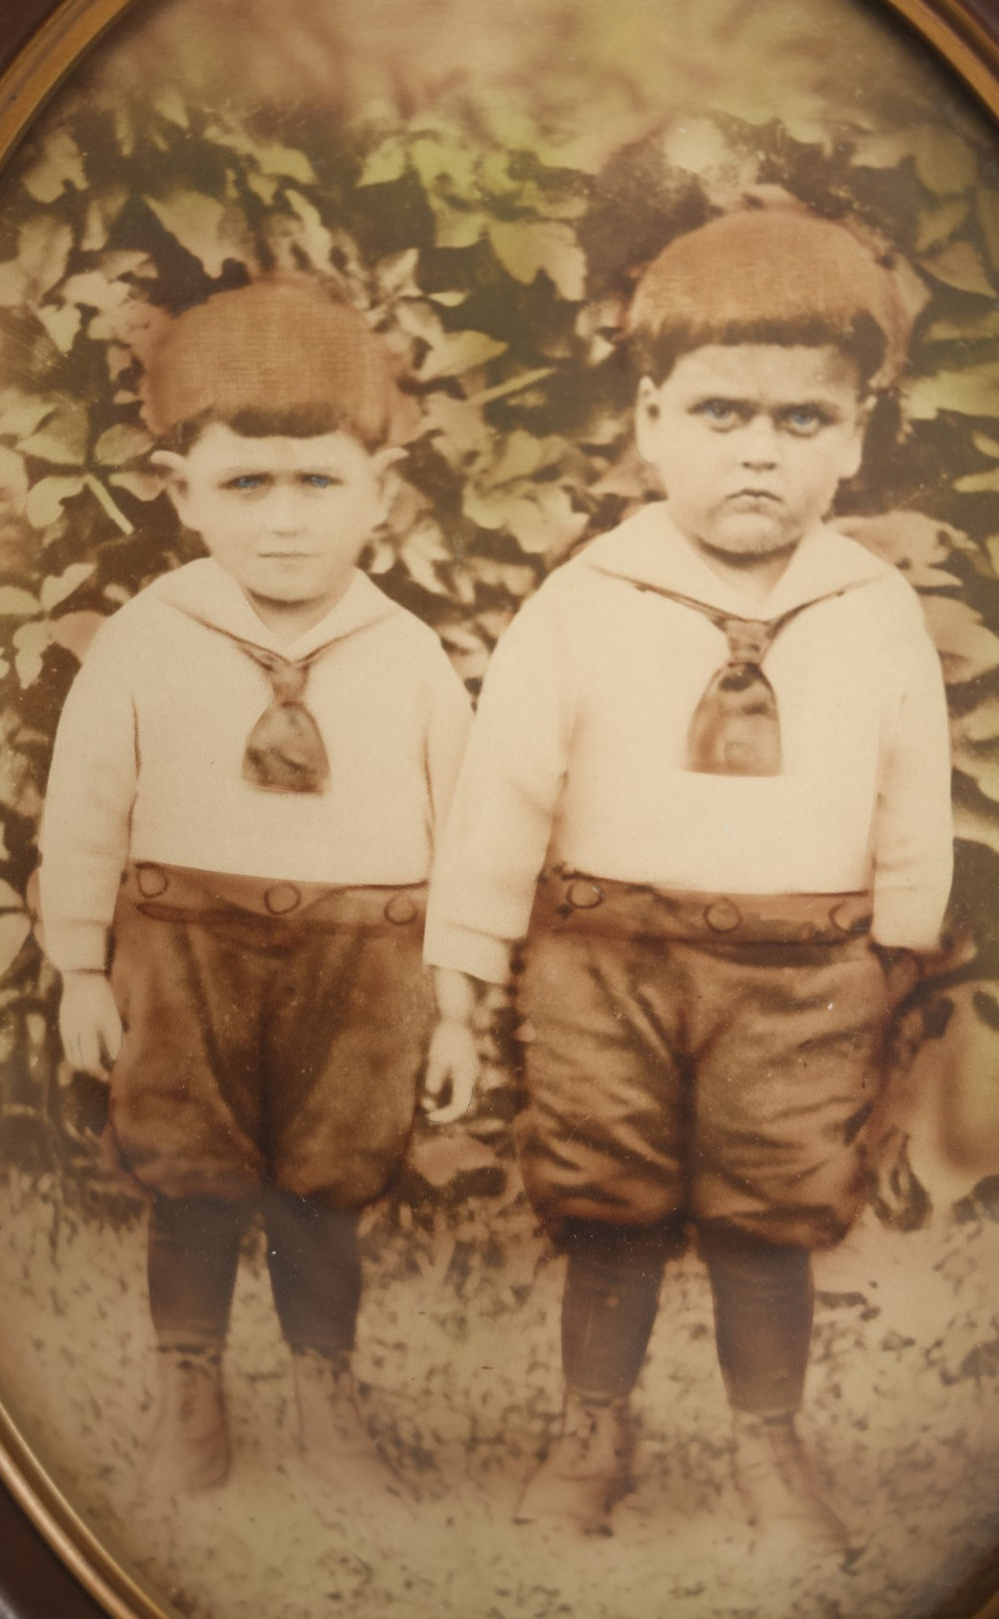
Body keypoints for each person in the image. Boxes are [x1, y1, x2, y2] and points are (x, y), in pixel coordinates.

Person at [423, 206, 953, 1547]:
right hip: (609, 963)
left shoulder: (869, 607)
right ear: (652, 417)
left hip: (804, 971)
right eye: (721, 412)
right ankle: (592, 1427)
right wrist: (460, 974)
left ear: (856, 430)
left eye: (798, 419)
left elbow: (910, 794)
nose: (758, 453)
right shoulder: (586, 597)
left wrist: (899, 954)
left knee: (770, 1213)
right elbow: (501, 799)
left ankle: (772, 1444)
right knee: (610, 1199)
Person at [39, 278, 473, 1498]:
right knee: (190, 1173)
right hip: (184, 948)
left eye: (318, 482)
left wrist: (457, 1003)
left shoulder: (411, 656)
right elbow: (85, 805)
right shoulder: (148, 636)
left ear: (379, 492)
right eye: (246, 484)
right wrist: (80, 961)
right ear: (183, 492)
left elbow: (469, 832)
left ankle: (326, 1396)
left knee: (327, 1184)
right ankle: (191, 1392)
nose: (284, 521)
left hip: (363, 959)